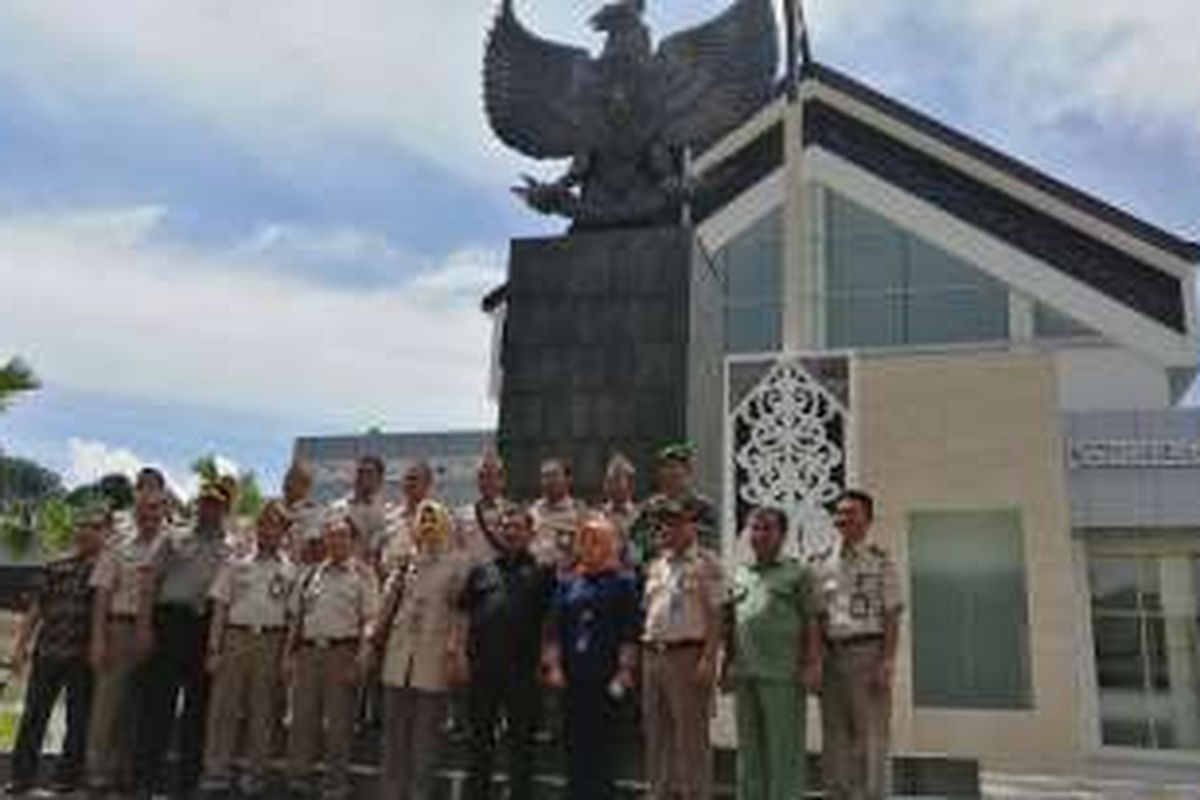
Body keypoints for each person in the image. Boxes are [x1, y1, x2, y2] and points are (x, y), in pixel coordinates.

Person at [134, 480, 232, 798]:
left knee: (197, 709)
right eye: (205, 502)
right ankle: (146, 780)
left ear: (224, 510)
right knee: (157, 705)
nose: (209, 508)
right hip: (169, 623)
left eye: (216, 504)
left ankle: (186, 784)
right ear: (197, 505)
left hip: (204, 627)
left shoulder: (231, 547)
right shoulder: (172, 536)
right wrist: (145, 627)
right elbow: (149, 583)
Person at [5, 505, 108, 795]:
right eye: (82, 525)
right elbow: (36, 609)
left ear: (105, 533)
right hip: (48, 651)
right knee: (33, 716)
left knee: (79, 720)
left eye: (94, 526)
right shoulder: (55, 565)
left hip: (82, 656)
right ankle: (21, 777)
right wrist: (20, 648)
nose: (86, 531)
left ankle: (66, 779)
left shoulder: (107, 570)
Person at [455, 505, 555, 800]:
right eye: (505, 527)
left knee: (521, 744)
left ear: (530, 533)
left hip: (523, 672)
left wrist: (548, 660)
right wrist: (458, 654)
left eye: (517, 527)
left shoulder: (543, 572)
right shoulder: (481, 571)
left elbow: (552, 620)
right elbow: (463, 615)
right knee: (478, 742)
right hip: (482, 670)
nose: (510, 532)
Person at [810, 490, 904, 800]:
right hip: (832, 655)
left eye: (851, 512)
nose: (843, 518)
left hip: (868, 652)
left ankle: (870, 794)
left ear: (868, 519)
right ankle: (837, 792)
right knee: (833, 733)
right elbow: (817, 614)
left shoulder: (880, 560)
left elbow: (892, 612)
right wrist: (816, 658)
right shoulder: (821, 561)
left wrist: (888, 661)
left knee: (870, 734)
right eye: (839, 512)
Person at [372, 498, 468, 800]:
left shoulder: (457, 563)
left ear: (445, 526)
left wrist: (456, 649)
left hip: (432, 660)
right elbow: (385, 608)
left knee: (424, 742)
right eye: (423, 522)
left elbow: (460, 612)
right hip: (399, 659)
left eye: (433, 521)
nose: (427, 527)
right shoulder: (406, 562)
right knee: (393, 739)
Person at [201, 501, 298, 796]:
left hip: (271, 641)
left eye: (277, 525)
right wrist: (214, 648)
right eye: (265, 523)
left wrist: (286, 656)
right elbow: (220, 606)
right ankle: (216, 773)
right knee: (223, 709)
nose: (270, 530)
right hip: (235, 638)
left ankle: (254, 777)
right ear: (258, 527)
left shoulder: (290, 570)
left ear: (284, 532)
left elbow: (293, 618)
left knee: (263, 712)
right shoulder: (236, 563)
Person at [724, 507, 820, 800]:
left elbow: (811, 621)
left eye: (767, 528)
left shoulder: (798, 572)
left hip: (783, 675)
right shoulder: (741, 572)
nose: (759, 535)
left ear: (782, 534)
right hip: (745, 674)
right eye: (755, 528)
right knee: (749, 751)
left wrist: (812, 663)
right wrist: (727, 663)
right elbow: (732, 623)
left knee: (784, 752)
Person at [544, 514, 640, 800]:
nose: (589, 546)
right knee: (574, 745)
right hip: (573, 678)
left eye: (597, 540)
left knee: (604, 747)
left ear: (611, 545)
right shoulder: (568, 582)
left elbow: (630, 631)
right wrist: (554, 666)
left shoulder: (623, 582)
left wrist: (625, 670)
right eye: (584, 540)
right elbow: (553, 630)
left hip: (607, 678)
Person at [284, 513, 379, 799]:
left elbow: (370, 619)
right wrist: (288, 655)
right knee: (302, 721)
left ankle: (334, 786)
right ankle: (297, 781)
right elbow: (297, 618)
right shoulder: (311, 574)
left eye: (342, 535)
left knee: (339, 725)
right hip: (309, 652)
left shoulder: (363, 574)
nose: (336, 540)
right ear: (325, 540)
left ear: (352, 540)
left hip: (343, 653)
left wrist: (363, 654)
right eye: (331, 535)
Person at [640, 497, 725, 800]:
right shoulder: (657, 564)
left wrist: (709, 658)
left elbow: (717, 615)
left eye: (676, 522)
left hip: (688, 655)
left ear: (691, 526)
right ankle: (659, 793)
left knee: (691, 737)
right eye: (664, 524)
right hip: (653, 654)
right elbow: (650, 611)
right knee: (656, 735)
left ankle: (696, 794)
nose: (668, 529)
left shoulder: (707, 563)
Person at [85, 493, 168, 795]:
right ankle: (97, 774)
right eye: (145, 508)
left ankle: (124, 771)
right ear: (135, 511)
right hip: (119, 627)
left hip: (158, 633)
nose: (151, 514)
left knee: (139, 707)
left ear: (165, 511)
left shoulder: (171, 544)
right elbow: (102, 594)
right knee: (108, 704)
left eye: (157, 508)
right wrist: (98, 638)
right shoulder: (118, 545)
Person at [630, 443, 718, 566]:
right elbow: (636, 540)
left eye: (673, 468)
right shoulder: (650, 507)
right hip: (656, 571)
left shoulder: (702, 507)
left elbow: (708, 543)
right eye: (664, 468)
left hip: (691, 572)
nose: (668, 474)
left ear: (688, 472)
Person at [455, 451, 510, 567]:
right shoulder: (463, 515)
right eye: (482, 476)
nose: (487, 482)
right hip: (475, 578)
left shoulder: (513, 512)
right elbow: (458, 551)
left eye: (491, 476)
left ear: (502, 480)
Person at [530, 458, 585, 572]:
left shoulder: (580, 512)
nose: (549, 481)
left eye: (554, 475)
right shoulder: (532, 511)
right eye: (545, 476)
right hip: (534, 573)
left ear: (568, 479)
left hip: (568, 575)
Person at [343, 454, 391, 565]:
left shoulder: (389, 512)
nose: (363, 477)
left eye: (369, 473)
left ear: (380, 478)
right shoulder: (338, 509)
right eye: (360, 472)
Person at [597, 453, 639, 559]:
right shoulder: (595, 515)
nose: (610, 485)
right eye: (608, 480)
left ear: (631, 484)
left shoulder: (642, 515)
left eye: (616, 479)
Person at [281, 461, 324, 559]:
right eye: (286, 479)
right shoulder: (278, 509)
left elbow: (313, 546)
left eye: (293, 480)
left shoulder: (314, 513)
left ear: (306, 487)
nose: (287, 484)